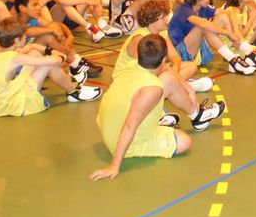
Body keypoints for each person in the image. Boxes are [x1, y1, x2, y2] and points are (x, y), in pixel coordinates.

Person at [90, 34, 224, 181]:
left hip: (108, 128)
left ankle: (197, 116)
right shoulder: (152, 89)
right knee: (185, 142)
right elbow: (129, 126)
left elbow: (167, 72)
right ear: (163, 60)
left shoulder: (132, 65)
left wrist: (185, 85)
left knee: (168, 79)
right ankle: (191, 117)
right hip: (122, 144)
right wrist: (114, 165)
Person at [0, 18, 101, 117]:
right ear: (16, 40)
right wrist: (60, 57)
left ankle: (72, 88)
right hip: (15, 105)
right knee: (47, 64)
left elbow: (32, 47)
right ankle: (74, 91)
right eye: (24, 36)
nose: (26, 37)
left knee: (35, 52)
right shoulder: (15, 58)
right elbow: (52, 61)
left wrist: (48, 50)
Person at [167, 0, 256, 75]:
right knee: (202, 27)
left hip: (197, 50)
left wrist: (235, 32)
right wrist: (229, 33)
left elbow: (229, 12)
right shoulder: (184, 9)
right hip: (180, 55)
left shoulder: (202, 7)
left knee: (223, 18)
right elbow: (203, 24)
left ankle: (245, 52)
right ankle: (233, 59)